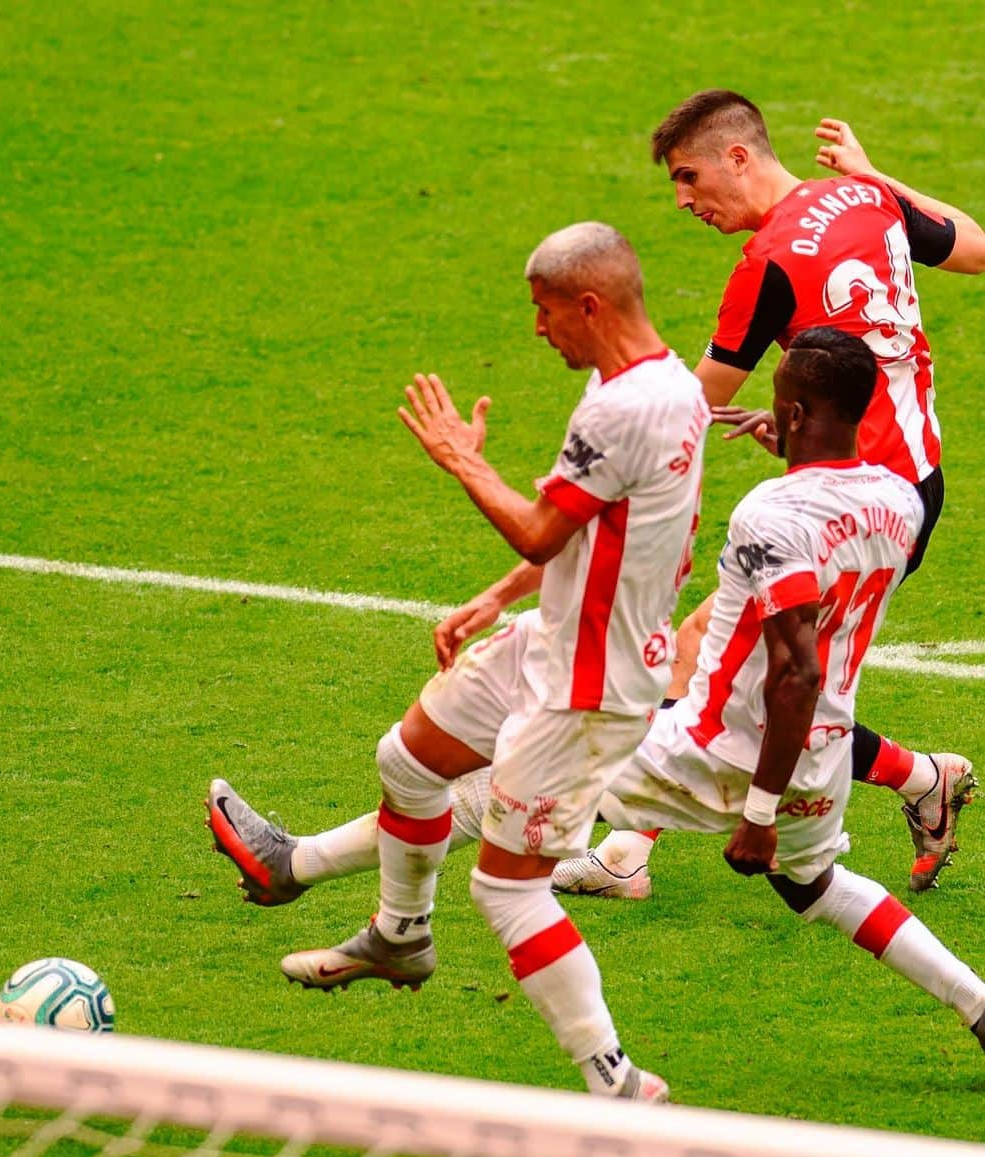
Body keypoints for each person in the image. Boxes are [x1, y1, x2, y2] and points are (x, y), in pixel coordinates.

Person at [210, 331, 985, 1089]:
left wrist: (757, 810)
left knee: (503, 799)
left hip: (715, 751)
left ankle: (311, 873)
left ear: (796, 410)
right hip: (822, 753)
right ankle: (978, 1004)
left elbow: (795, 669)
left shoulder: (768, 514)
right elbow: (828, 548)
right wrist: (791, 444)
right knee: (814, 881)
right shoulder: (896, 501)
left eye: (778, 401)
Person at [210, 220, 708, 1103]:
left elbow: (540, 523)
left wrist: (461, 463)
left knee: (510, 893)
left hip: (587, 688)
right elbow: (587, 524)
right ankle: (400, 933)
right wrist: (499, 595)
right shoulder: (661, 383)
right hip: (553, 640)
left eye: (544, 310)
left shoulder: (622, 406)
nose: (537, 328)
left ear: (589, 305)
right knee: (409, 757)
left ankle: (619, 1085)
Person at [644, 93, 985, 893]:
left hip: (854, 508)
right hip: (909, 485)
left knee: (719, 667)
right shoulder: (867, 197)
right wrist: (881, 176)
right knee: (761, 681)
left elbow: (693, 409)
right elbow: (974, 246)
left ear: (738, 156)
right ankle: (921, 778)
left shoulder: (765, 262)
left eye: (690, 178)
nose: (685, 202)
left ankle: (627, 853)